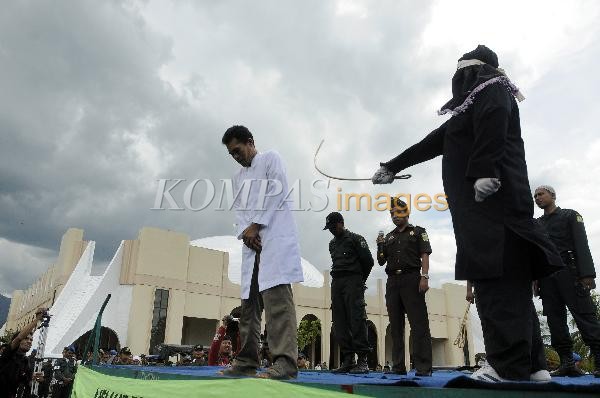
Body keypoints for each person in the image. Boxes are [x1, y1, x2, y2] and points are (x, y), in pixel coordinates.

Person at [372, 45, 563, 382]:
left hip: (491, 208)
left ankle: (505, 366)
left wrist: (485, 170)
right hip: (491, 211)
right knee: (513, 282)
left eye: (461, 72)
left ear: (473, 72)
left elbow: (495, 121)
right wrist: (392, 166)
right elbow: (432, 142)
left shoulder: (492, 90)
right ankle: (533, 365)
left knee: (495, 280)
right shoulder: (468, 110)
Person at [220, 125, 303, 380]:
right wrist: (246, 234)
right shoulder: (237, 178)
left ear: (250, 142)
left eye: (237, 150)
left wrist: (256, 227)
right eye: (231, 153)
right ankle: (246, 361)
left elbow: (276, 194)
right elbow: (240, 213)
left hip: (273, 240)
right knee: (249, 306)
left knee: (277, 303)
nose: (236, 156)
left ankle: (285, 363)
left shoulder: (270, 159)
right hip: (252, 246)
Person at [534, 185, 600, 377]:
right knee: (555, 321)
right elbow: (537, 253)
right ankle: (567, 363)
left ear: (553, 196)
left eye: (541, 194)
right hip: (547, 277)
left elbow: (581, 243)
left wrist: (587, 273)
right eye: (535, 196)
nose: (537, 198)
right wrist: (536, 278)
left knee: (585, 317)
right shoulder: (536, 224)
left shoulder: (570, 216)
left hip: (570, 272)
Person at [376, 198, 433, 376]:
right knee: (395, 326)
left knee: (418, 324)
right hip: (393, 281)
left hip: (412, 278)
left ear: (407, 213)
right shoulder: (389, 237)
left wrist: (424, 276)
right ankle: (398, 366)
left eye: (398, 213)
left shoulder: (418, 232)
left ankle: (423, 367)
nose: (395, 216)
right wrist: (379, 244)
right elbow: (381, 260)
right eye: (392, 214)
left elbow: (424, 254)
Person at [325, 211, 374, 374]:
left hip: (353, 280)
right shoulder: (332, 244)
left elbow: (368, 261)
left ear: (341, 223)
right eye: (329, 227)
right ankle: (348, 359)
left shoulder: (356, 239)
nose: (331, 230)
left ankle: (362, 360)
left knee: (357, 319)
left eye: (333, 226)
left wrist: (360, 281)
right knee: (339, 321)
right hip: (337, 282)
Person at [0, 307, 46, 398]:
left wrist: (37, 379)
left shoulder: (25, 361)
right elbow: (19, 337)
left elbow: (27, 382)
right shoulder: (8, 353)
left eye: (31, 340)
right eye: (26, 338)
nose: (29, 341)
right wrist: (37, 319)